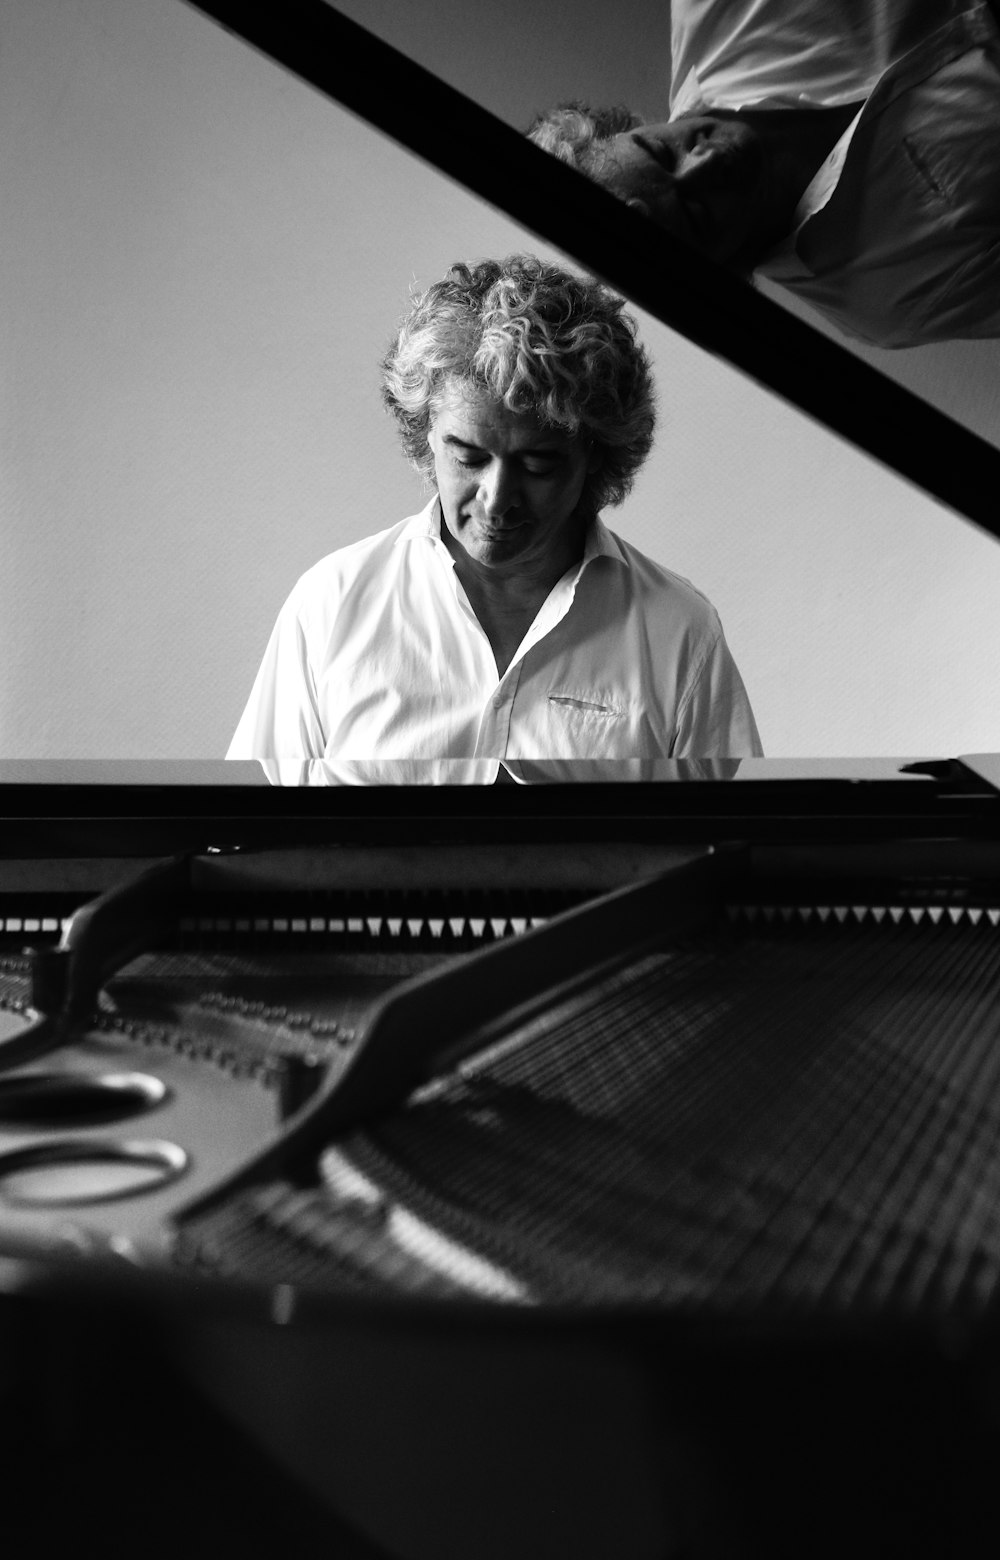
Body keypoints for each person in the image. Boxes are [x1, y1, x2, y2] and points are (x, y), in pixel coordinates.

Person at [227, 255, 761, 762]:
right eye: (469, 457)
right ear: (426, 437)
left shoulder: (679, 630)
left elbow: (734, 848)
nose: (497, 499)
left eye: (537, 465)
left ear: (595, 457)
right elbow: (245, 837)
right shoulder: (330, 605)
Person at [527, 1, 1000, 347]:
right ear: (720, 274)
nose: (707, 161)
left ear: (625, 130)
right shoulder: (890, 300)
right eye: (697, 214)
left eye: (660, 150)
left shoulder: (713, 10)